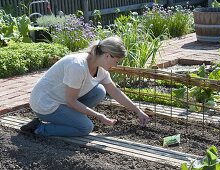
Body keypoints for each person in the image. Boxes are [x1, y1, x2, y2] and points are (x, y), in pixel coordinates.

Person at [20, 36, 150, 137]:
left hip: (62, 100)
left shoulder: (101, 69)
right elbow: (71, 101)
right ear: (107, 56)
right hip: (45, 104)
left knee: (99, 91)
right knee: (85, 127)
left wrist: (137, 110)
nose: (115, 65)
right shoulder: (77, 66)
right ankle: (39, 128)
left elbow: (115, 92)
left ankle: (69, 118)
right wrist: (98, 116)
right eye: (116, 61)